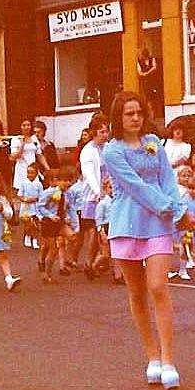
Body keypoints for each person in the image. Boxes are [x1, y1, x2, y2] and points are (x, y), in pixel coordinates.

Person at [102, 91, 195, 390]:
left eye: (138, 113)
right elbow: (136, 187)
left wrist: (181, 212)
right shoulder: (112, 151)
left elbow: (167, 180)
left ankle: (169, 360)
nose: (135, 118)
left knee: (158, 286)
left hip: (158, 223)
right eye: (128, 114)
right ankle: (152, 356)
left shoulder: (153, 143)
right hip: (127, 223)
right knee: (136, 293)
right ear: (118, 118)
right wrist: (172, 211)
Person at [76, 116, 110, 273]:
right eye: (102, 131)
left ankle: (96, 261)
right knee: (94, 230)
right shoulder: (88, 151)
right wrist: (98, 192)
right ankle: (89, 262)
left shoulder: (108, 147)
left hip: (108, 192)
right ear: (94, 133)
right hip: (93, 196)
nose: (105, 134)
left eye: (106, 131)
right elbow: (89, 174)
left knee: (101, 231)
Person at [36, 165, 79, 282]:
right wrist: (50, 215)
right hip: (49, 223)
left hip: (61, 221)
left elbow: (71, 208)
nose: (67, 183)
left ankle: (67, 260)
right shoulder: (50, 192)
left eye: (70, 181)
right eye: (64, 181)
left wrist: (75, 225)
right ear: (57, 181)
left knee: (73, 236)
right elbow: (40, 206)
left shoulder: (69, 194)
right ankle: (46, 272)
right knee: (52, 249)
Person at [10, 119, 40, 196]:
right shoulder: (16, 139)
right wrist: (22, 144)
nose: (26, 127)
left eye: (28, 125)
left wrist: (48, 168)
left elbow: (39, 154)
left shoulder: (34, 138)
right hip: (22, 169)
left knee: (35, 191)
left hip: (33, 168)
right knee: (22, 193)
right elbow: (14, 157)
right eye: (24, 125)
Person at [17, 162, 44, 250]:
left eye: (32, 172)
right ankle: (27, 237)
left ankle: (35, 239)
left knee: (36, 223)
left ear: (36, 173)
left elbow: (42, 196)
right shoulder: (24, 183)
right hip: (26, 206)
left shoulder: (39, 184)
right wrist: (25, 199)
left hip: (35, 206)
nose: (30, 175)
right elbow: (19, 195)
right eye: (28, 172)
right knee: (28, 223)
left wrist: (36, 199)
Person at [136, 46, 159, 110]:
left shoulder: (152, 59)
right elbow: (139, 72)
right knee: (146, 97)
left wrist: (147, 73)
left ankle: (153, 111)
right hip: (145, 82)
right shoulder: (139, 62)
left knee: (153, 96)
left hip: (153, 80)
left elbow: (154, 67)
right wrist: (143, 74)